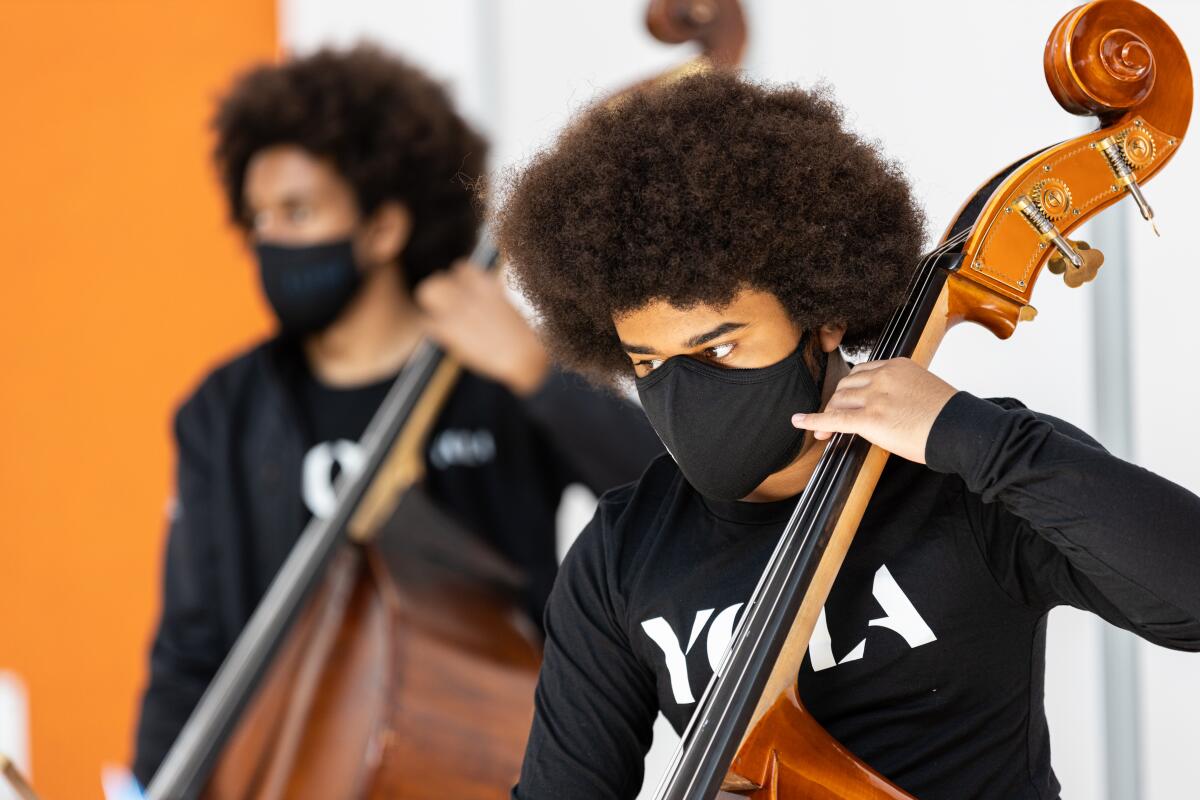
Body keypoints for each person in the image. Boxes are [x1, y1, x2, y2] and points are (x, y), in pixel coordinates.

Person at [494, 71, 1200, 799]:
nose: (680, 395)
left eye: (719, 350)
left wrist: (968, 434)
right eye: (649, 363)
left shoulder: (967, 478)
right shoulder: (623, 551)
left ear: (821, 317)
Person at [132, 45, 662, 786]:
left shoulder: (491, 376)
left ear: (382, 226)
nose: (269, 241)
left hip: (481, 756)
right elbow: (190, 644)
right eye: (258, 219)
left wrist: (539, 377)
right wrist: (153, 780)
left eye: (299, 211)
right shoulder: (222, 411)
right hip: (281, 769)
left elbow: (668, 491)